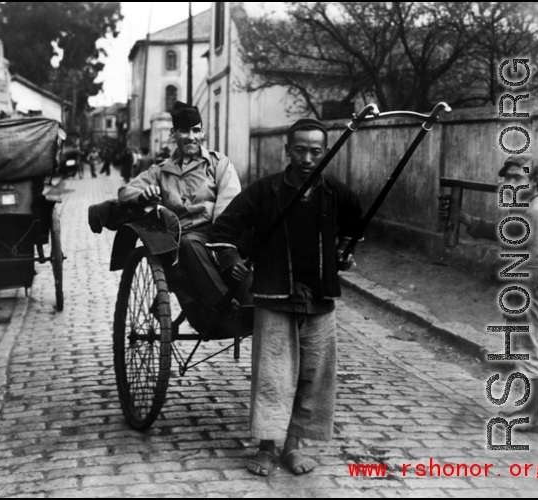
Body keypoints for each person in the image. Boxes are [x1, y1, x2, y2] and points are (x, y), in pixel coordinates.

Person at [208, 118, 362, 476]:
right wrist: (231, 260)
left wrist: (344, 252)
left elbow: (354, 226)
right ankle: (266, 446)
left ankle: (293, 445)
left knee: (315, 375)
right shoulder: (265, 191)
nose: (308, 158)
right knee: (273, 376)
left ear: (325, 153)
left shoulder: (336, 192)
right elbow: (223, 230)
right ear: (287, 150)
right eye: (300, 150)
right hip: (274, 294)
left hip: (319, 297)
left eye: (316, 151)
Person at [450, 154, 538, 433]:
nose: (511, 183)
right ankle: (529, 411)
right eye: (507, 177)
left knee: (533, 351)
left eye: (518, 178)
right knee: (525, 350)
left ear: (535, 182)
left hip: (535, 286)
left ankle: (533, 418)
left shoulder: (537, 210)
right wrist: (471, 222)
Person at [119, 101, 242, 321]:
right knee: (188, 244)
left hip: (216, 233)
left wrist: (220, 239)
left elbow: (230, 206)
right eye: (184, 131)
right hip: (180, 238)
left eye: (196, 130)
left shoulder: (218, 164)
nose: (191, 137)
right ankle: (223, 305)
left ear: (202, 132)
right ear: (173, 133)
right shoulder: (161, 170)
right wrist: (143, 193)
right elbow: (125, 192)